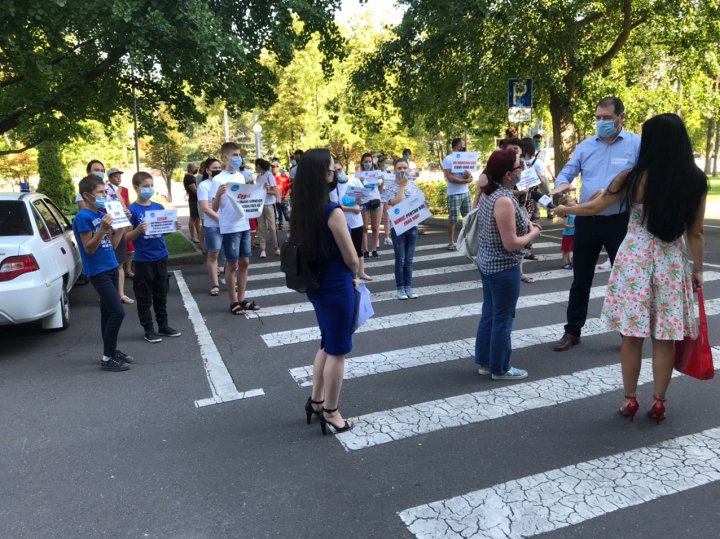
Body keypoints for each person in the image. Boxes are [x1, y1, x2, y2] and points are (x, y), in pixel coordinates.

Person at [554, 113, 707, 422]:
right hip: (672, 262)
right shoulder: (695, 180)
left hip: (635, 260)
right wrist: (697, 270)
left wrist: (565, 208)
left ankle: (630, 400)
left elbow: (596, 207)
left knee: (632, 335)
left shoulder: (633, 177)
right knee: (665, 337)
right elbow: (696, 232)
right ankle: (659, 401)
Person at [551, 96, 641, 352]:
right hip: (587, 220)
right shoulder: (586, 146)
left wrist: (612, 189)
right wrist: (562, 185)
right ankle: (572, 331)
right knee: (581, 279)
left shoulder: (636, 144)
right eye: (598, 117)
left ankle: (628, 333)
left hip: (620, 221)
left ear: (621, 117)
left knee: (625, 279)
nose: (601, 122)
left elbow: (643, 179)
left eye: (607, 118)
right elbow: (568, 171)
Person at [293, 149, 360, 435]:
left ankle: (317, 401)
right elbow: (351, 256)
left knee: (326, 342)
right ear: (323, 173)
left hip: (317, 284)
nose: (337, 171)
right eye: (333, 168)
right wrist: (356, 273)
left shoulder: (302, 207)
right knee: (338, 350)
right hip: (336, 284)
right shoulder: (332, 212)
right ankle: (331, 411)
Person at [474, 148, 542, 380]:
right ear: (507, 173)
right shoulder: (503, 200)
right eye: (518, 167)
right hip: (503, 266)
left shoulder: (489, 191)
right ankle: (500, 368)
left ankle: (485, 361)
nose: (522, 169)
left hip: (488, 262)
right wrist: (533, 233)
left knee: (490, 313)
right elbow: (511, 244)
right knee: (503, 317)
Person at [73, 175, 132, 371]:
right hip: (98, 271)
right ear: (87, 195)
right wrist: (103, 229)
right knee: (117, 312)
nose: (104, 196)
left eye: (105, 192)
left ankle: (112, 351)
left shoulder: (100, 213)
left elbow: (112, 244)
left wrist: (121, 226)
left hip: (110, 266)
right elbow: (89, 248)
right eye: (100, 193)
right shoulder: (83, 217)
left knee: (107, 312)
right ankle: (107, 358)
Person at [126, 171, 183, 343]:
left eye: (151, 186)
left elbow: (163, 230)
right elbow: (126, 237)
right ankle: (148, 329)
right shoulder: (132, 210)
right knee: (144, 296)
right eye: (145, 186)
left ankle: (163, 325)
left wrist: (173, 226)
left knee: (161, 293)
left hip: (161, 256)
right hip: (143, 260)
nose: (149, 189)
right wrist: (138, 230)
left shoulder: (158, 207)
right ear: (136, 188)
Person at [212, 142, 261, 315]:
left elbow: (246, 200)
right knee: (231, 264)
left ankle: (242, 298)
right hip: (229, 227)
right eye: (234, 155)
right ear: (225, 157)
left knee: (245, 261)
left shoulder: (241, 176)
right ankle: (233, 301)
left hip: (244, 224)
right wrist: (218, 195)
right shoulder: (217, 180)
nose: (238, 158)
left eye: (239, 155)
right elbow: (214, 207)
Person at [384, 159, 421, 299]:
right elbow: (393, 202)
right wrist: (401, 187)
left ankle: (408, 287)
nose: (402, 170)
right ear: (395, 170)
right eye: (399, 168)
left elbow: (418, 202)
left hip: (413, 225)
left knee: (409, 259)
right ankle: (400, 288)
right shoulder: (390, 187)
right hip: (398, 227)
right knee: (400, 259)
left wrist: (424, 204)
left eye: (405, 168)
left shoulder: (413, 185)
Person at [332, 163, 372, 281]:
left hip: (356, 222)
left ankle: (361, 272)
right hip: (342, 223)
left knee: (357, 247)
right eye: (335, 171)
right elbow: (335, 206)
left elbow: (363, 199)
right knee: (344, 248)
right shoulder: (333, 188)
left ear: (343, 168)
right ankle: (348, 274)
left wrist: (359, 201)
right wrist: (352, 209)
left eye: (339, 169)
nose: (338, 173)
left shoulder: (354, 182)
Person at [106, 168, 134, 304]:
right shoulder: (107, 189)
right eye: (115, 176)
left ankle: (121, 294)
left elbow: (123, 208)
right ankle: (107, 295)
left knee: (120, 264)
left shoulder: (119, 190)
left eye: (119, 176)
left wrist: (126, 215)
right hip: (109, 230)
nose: (118, 179)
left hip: (120, 227)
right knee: (109, 265)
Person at [197, 158, 224, 296]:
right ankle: (215, 284)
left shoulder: (225, 184)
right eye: (214, 168)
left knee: (232, 256)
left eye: (220, 167)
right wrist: (221, 220)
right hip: (212, 226)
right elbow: (205, 208)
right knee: (213, 255)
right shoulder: (204, 186)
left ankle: (234, 282)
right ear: (207, 170)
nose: (218, 170)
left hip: (228, 226)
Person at [443, 138, 474, 250]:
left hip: (465, 192)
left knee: (468, 218)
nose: (464, 147)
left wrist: (468, 177)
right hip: (454, 194)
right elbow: (450, 177)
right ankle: (451, 242)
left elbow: (469, 175)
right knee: (453, 219)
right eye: (462, 145)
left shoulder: (464, 158)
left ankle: (467, 241)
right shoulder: (448, 159)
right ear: (458, 146)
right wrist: (465, 181)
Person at [358, 152, 383, 259]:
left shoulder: (377, 173)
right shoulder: (359, 175)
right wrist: (360, 182)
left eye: (369, 161)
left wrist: (382, 181)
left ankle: (374, 249)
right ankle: (365, 250)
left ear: (372, 162)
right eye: (366, 161)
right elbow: (357, 191)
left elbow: (381, 189)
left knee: (375, 227)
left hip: (375, 200)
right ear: (362, 163)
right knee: (364, 227)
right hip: (364, 202)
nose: (368, 163)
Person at [255, 158, 281, 258]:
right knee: (261, 228)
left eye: (256, 165)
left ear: (259, 166)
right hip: (260, 205)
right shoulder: (258, 177)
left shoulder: (269, 175)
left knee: (272, 228)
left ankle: (276, 247)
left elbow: (275, 192)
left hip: (269, 204)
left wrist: (266, 190)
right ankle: (263, 249)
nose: (256, 167)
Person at [183, 164, 201, 244]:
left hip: (196, 200)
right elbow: (194, 190)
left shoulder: (192, 177)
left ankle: (199, 236)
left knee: (197, 219)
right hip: (193, 200)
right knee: (193, 218)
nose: (196, 169)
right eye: (195, 167)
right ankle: (193, 237)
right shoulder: (189, 177)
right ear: (190, 168)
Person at [272, 159, 291, 230]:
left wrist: (287, 196)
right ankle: (280, 226)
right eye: (272, 167)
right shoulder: (270, 177)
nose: (272, 168)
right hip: (274, 200)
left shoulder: (284, 177)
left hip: (283, 199)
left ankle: (292, 229)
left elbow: (289, 187)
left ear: (278, 167)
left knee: (288, 215)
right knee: (277, 215)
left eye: (274, 167)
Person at [560, 195, 576, 269]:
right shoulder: (567, 213)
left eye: (572, 200)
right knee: (566, 250)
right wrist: (573, 227)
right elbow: (565, 224)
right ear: (566, 204)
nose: (573, 201)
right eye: (570, 201)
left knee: (569, 249)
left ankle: (569, 262)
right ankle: (565, 263)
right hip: (567, 234)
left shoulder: (574, 211)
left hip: (573, 234)